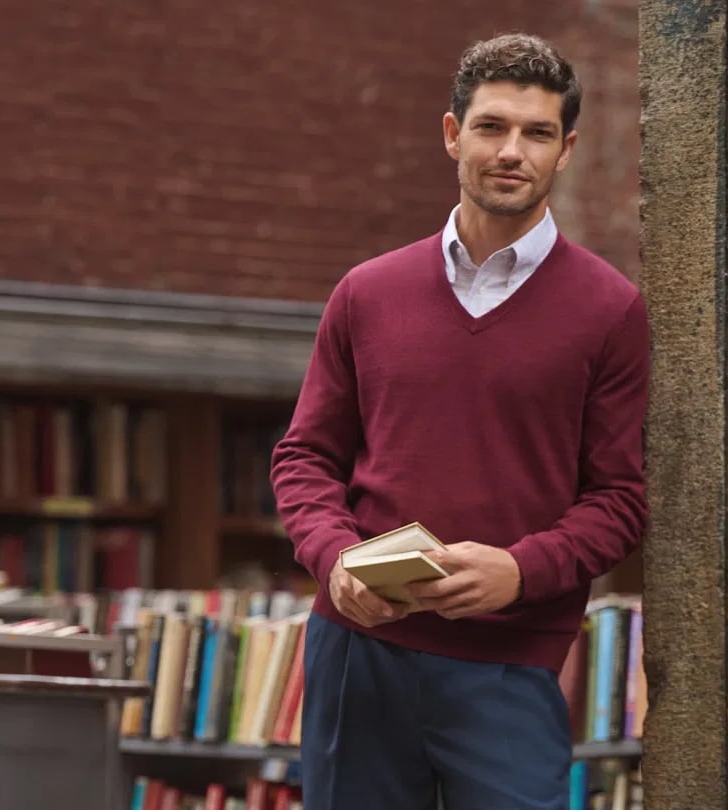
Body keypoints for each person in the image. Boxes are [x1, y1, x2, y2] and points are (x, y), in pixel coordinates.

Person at [269, 33, 649, 810]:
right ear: (452, 134)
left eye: (537, 133)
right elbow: (304, 458)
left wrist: (522, 571)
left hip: (510, 665)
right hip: (360, 653)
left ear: (566, 150)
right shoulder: (366, 293)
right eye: (491, 127)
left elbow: (619, 500)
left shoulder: (610, 312)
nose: (512, 151)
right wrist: (336, 561)